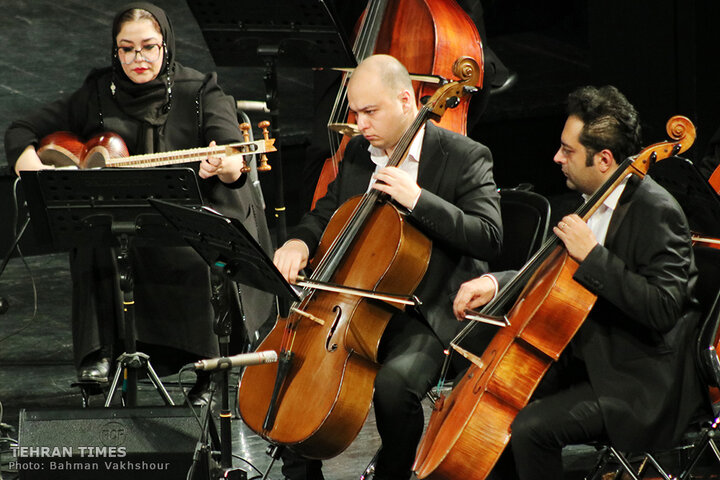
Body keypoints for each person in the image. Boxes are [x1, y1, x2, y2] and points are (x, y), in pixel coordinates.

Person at [4, 2, 273, 400]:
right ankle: (101, 353)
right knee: (90, 238)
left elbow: (234, 159)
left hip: (185, 213)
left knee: (198, 248)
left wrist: (225, 165)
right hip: (127, 215)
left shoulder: (200, 90)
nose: (138, 58)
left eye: (149, 47)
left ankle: (204, 364)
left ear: (166, 46)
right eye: (126, 49)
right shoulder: (98, 92)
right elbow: (22, 129)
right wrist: (35, 172)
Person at [453, 85, 707, 480]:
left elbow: (662, 309)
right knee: (494, 407)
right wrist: (495, 283)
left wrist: (594, 256)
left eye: (568, 151)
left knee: (531, 430)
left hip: (637, 378)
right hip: (584, 355)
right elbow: (551, 274)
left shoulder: (657, 212)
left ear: (604, 159)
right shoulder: (592, 195)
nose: (557, 158)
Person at [273, 54, 503, 480]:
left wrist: (418, 199)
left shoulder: (464, 155)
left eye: (370, 112)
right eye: (355, 113)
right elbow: (326, 213)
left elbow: (488, 234)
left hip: (430, 310)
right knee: (293, 364)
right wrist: (298, 241)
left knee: (394, 387)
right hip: (361, 301)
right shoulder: (360, 152)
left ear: (405, 100)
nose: (361, 124)